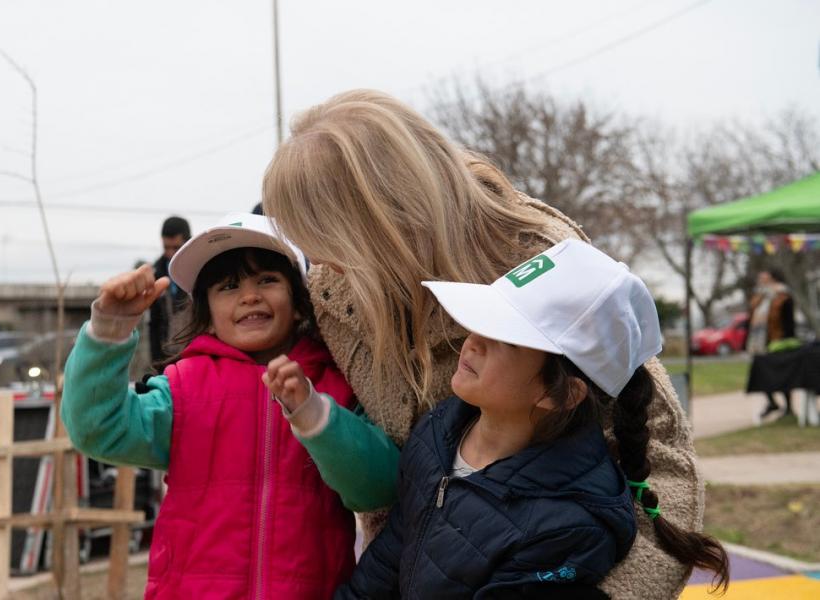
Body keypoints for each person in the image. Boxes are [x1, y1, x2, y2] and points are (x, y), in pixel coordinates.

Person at [262, 89, 703, 598]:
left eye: (327, 240)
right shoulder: (332, 291)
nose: (321, 262)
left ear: (384, 219)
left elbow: (661, 465)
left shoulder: (539, 258)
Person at [294, 239, 724, 598]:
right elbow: (390, 557)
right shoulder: (439, 431)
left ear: (560, 394)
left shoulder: (568, 527)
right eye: (480, 324)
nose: (472, 343)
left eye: (504, 340)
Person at [62, 213, 357, 599]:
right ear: (208, 319)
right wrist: (109, 331)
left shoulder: (335, 388)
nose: (249, 295)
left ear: (300, 303)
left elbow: (376, 487)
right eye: (229, 286)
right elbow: (97, 429)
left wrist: (317, 418)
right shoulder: (181, 390)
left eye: (267, 279)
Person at [747, 268, 798, 417]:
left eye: (765, 278)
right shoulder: (759, 297)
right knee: (760, 372)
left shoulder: (782, 295)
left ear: (773, 279)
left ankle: (789, 407)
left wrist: (787, 339)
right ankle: (772, 402)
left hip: (779, 341)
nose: (762, 281)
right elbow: (753, 315)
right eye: (760, 278)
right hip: (761, 342)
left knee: (784, 374)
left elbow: (788, 320)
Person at [149, 215, 191, 362]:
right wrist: (156, 361)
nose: (171, 253)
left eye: (176, 248)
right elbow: (154, 323)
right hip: (165, 355)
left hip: (194, 353)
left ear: (188, 242)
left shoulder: (199, 271)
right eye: (166, 248)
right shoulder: (156, 273)